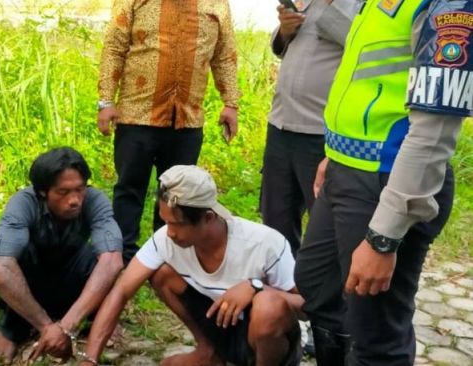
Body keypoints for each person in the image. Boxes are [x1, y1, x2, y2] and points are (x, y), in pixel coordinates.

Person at [294, 0, 472, 365]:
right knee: (317, 286)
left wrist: (383, 238)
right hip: (346, 169)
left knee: (377, 336)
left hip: (389, 182)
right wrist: (335, 152)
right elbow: (363, 83)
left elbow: (434, 135)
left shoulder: (448, 6)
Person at [76, 165, 305, 366]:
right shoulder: (166, 238)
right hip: (222, 330)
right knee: (162, 274)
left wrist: (256, 287)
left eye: (178, 224)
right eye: (166, 222)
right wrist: (90, 359)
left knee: (268, 305)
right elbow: (121, 291)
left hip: (270, 343)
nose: (170, 232)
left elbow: (305, 306)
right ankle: (209, 352)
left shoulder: (264, 243)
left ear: (208, 217)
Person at [97, 0, 241, 264]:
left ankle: (164, 257)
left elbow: (224, 54)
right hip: (137, 114)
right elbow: (114, 49)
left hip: (187, 119)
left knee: (177, 194)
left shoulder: (217, 4)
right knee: (129, 189)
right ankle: (122, 259)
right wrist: (106, 101)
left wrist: (231, 102)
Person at [0, 147, 124, 363]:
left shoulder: (95, 200)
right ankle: (12, 329)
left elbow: (113, 261)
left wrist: (66, 327)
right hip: (33, 283)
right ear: (43, 192)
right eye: (63, 192)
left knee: (101, 256)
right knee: (19, 256)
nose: (74, 200)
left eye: (80, 189)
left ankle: (97, 320)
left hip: (72, 285)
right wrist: (48, 327)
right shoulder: (23, 204)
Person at [261, 0, 358, 256]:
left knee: (323, 221)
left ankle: (323, 291)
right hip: (281, 123)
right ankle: (282, 285)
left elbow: (358, 44)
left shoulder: (362, 5)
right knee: (276, 215)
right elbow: (280, 48)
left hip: (320, 132)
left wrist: (329, 6)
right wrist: (285, 30)